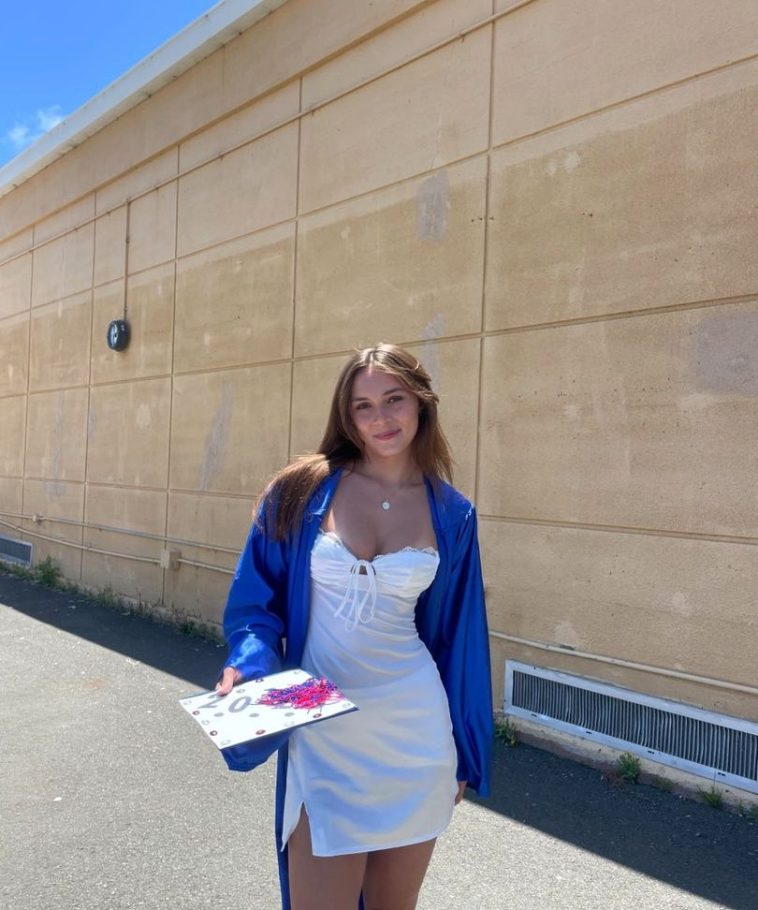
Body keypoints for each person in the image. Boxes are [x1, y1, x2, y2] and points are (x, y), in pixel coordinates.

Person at [216, 343, 492, 910]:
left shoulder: (452, 513)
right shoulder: (299, 490)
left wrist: (464, 751)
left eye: (394, 400)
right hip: (321, 720)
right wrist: (248, 664)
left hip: (415, 732)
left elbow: (458, 639)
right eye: (363, 406)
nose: (381, 418)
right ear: (347, 416)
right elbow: (255, 603)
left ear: (421, 403)